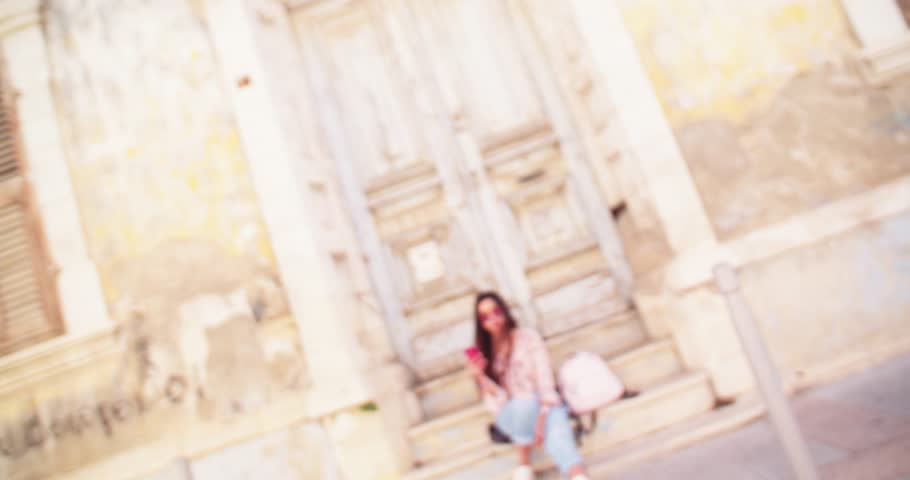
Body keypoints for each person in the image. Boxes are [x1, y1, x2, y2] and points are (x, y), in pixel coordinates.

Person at [466, 291, 591, 480]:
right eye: (485, 317)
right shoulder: (486, 355)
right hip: (511, 416)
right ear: (480, 324)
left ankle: (576, 475)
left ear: (505, 311)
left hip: (543, 407)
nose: (493, 319)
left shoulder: (528, 338)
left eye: (496, 311)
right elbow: (498, 404)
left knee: (558, 433)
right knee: (524, 404)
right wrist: (480, 377)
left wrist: (540, 422)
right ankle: (524, 459)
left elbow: (545, 382)